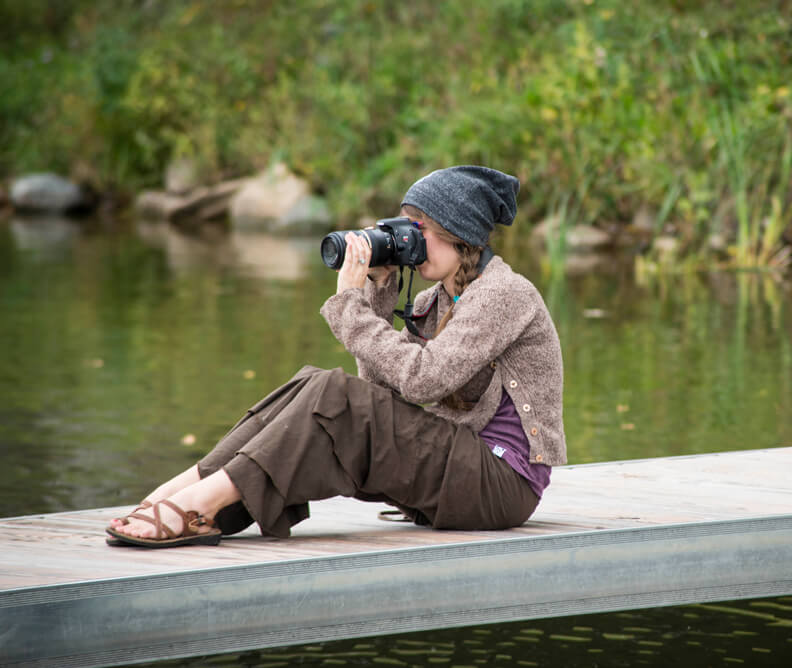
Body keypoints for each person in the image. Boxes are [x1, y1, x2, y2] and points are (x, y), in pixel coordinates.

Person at [106, 165, 567, 548]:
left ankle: (198, 505)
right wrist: (378, 293)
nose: (409, 240)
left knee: (332, 389)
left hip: (501, 484)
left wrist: (349, 307)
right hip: (461, 472)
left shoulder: (505, 293)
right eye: (405, 227)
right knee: (314, 381)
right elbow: (377, 395)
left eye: (418, 228)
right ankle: (191, 492)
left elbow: (424, 381)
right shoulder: (433, 303)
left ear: (458, 233)